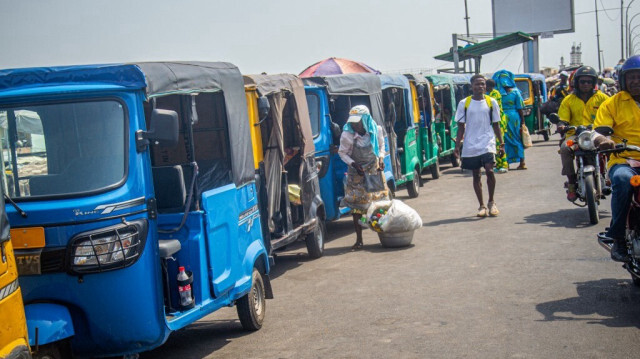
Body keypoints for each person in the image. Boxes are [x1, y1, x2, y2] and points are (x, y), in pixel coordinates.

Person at [593, 55, 640, 262]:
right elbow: (597, 131)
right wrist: (603, 140)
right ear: (623, 80)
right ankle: (618, 237)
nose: (636, 81)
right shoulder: (612, 103)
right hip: (624, 159)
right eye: (631, 77)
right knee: (622, 180)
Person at [338, 105, 388, 250]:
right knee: (356, 207)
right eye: (353, 122)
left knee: (379, 203)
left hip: (374, 169)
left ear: (366, 120)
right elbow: (342, 153)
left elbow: (381, 145)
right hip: (356, 172)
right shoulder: (347, 135)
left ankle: (383, 234)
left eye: (358, 122)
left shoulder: (376, 130)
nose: (355, 125)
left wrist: (381, 158)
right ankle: (359, 239)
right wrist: (353, 164)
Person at [454, 74, 503, 217]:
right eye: (477, 84)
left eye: (483, 84)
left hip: (487, 141)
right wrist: (457, 146)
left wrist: (502, 143)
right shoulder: (464, 103)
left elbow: (496, 124)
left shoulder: (491, 102)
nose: (480, 86)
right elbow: (461, 127)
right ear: (472, 86)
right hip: (471, 143)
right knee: (476, 175)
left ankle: (492, 202)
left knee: (489, 170)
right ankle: (481, 205)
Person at [557, 66, 609, 201]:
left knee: (612, 146)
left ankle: (609, 177)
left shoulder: (603, 98)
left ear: (594, 83)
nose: (586, 84)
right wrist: (562, 125)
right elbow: (563, 118)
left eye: (589, 82)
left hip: (596, 134)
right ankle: (572, 183)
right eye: (583, 81)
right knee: (565, 149)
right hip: (575, 135)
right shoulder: (568, 100)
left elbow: (612, 113)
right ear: (576, 83)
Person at [493, 70, 526, 170]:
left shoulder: (496, 93)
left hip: (501, 117)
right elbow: (520, 108)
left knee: (503, 139)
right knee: (517, 138)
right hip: (514, 117)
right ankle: (522, 162)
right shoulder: (516, 92)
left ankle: (505, 162)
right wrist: (523, 122)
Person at [486, 78, 508, 174]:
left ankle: (503, 165)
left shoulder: (495, 94)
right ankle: (498, 165)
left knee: (500, 143)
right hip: (492, 121)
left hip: (498, 120)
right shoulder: (489, 94)